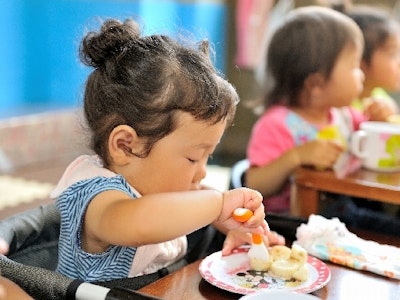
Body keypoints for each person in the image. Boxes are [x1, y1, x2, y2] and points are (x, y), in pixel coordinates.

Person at [50, 18, 283, 282]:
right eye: (193, 158)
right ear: (125, 146)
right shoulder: (96, 197)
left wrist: (230, 221)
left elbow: (195, 197)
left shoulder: (159, 184)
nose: (202, 173)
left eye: (208, 157)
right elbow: (141, 221)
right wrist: (218, 206)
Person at [245, 6, 400, 236]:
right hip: (290, 225)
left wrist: (384, 116)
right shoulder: (277, 124)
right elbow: (253, 183)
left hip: (341, 213)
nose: (362, 75)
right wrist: (295, 157)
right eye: (354, 66)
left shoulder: (342, 114)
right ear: (316, 84)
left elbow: (377, 140)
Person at [346, 5, 400, 120]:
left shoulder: (380, 97)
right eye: (392, 53)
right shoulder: (342, 106)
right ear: (360, 60)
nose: (399, 62)